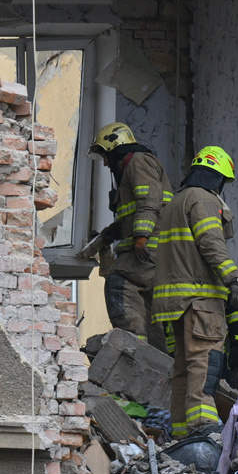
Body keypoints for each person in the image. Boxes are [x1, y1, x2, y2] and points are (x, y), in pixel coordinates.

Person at [152, 146, 238, 439]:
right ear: (217, 177)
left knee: (184, 367)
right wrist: (232, 278)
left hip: (175, 302)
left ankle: (181, 432)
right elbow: (210, 240)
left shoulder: (175, 203)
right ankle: (203, 426)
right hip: (200, 299)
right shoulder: (203, 199)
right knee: (206, 362)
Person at [81, 122, 173, 349]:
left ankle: (132, 349)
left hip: (147, 247)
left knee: (119, 283)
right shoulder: (134, 168)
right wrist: (105, 237)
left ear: (115, 149)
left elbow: (149, 201)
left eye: (105, 156)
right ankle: (153, 355)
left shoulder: (139, 162)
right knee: (147, 309)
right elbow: (129, 217)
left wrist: (141, 235)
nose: (105, 163)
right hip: (154, 248)